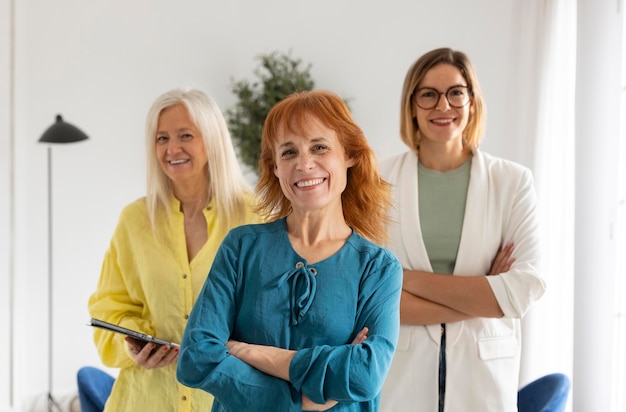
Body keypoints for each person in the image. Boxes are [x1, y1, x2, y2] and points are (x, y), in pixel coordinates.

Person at [176, 90, 403, 412]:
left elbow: (363, 376)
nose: (304, 164)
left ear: (349, 155)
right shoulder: (241, 247)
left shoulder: (378, 268)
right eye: (289, 152)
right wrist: (302, 402)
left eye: (319, 147)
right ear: (276, 168)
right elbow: (195, 359)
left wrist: (251, 353)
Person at [379, 48, 546, 412]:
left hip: (481, 378)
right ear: (411, 105)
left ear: (472, 101)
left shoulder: (512, 182)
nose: (443, 105)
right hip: (400, 375)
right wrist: (484, 294)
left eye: (456, 92)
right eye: (428, 94)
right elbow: (370, 299)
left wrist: (403, 278)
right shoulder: (378, 182)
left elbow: (524, 289)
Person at [88, 88, 260, 411]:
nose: (172, 149)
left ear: (212, 140)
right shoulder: (134, 221)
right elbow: (107, 307)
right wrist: (133, 345)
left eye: (185, 135)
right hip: (145, 400)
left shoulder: (255, 218)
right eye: (162, 138)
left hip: (227, 399)